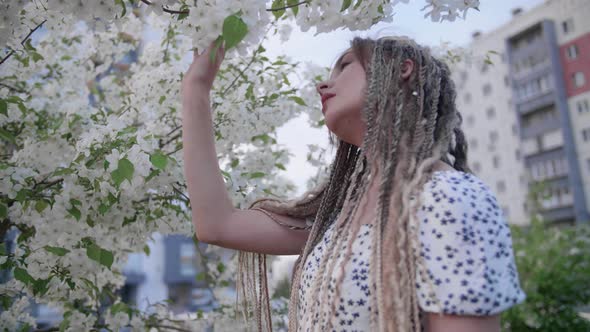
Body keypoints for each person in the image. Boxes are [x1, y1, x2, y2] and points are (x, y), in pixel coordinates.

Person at [180, 35, 526, 332]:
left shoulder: (449, 199)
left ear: (402, 70)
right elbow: (217, 224)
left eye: (345, 65)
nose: (323, 85)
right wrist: (196, 89)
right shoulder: (337, 217)